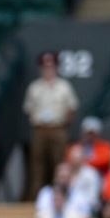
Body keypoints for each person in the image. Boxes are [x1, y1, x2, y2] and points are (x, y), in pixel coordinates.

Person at [23, 52, 79, 198]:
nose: (48, 70)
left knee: (59, 163)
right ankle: (36, 197)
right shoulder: (34, 87)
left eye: (51, 66)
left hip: (58, 128)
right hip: (40, 129)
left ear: (56, 68)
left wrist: (64, 123)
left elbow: (71, 107)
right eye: (45, 67)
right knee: (37, 164)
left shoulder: (64, 86)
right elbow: (28, 109)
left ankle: (61, 195)